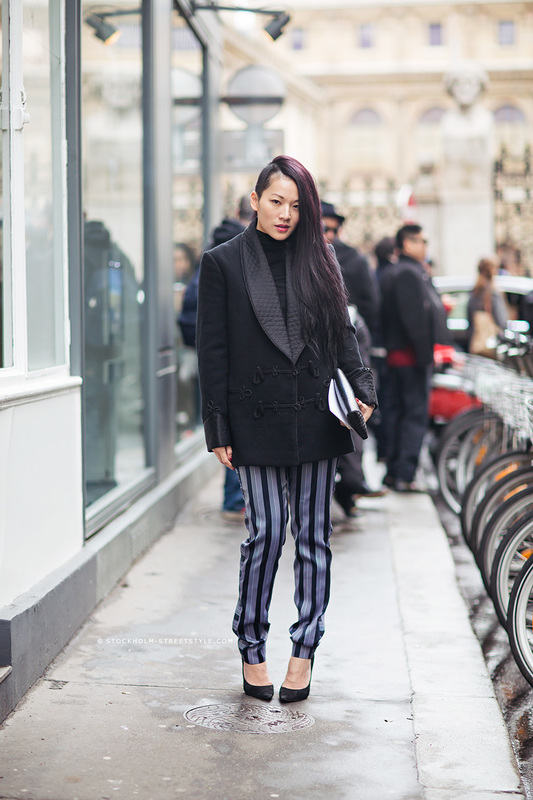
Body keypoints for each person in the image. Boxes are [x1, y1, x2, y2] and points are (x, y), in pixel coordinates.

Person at [197, 155, 377, 702]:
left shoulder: (320, 256)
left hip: (317, 415)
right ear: (255, 201)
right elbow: (213, 352)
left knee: (314, 537)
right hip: (253, 419)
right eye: (276, 201)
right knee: (268, 532)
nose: (285, 214)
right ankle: (251, 645)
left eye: (296, 206)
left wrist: (362, 386)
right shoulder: (223, 262)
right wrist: (217, 426)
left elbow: (342, 332)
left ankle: (304, 649)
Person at [179, 197, 255, 521]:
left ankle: (236, 499)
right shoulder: (230, 253)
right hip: (231, 358)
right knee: (236, 427)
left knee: (233, 428)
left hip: (221, 354)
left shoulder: (216, 249)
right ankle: (236, 500)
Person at [380, 224, 435, 493]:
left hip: (399, 356)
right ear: (408, 243)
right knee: (412, 415)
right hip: (409, 357)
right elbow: (413, 320)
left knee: (398, 413)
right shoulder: (408, 273)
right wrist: (426, 357)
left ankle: (395, 471)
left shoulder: (397, 271)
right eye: (422, 241)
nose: (425, 247)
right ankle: (404, 473)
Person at [321, 200, 380, 336]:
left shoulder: (355, 259)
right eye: (325, 229)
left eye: (335, 230)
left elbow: (371, 303)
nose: (330, 235)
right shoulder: (297, 255)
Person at [467, 256, 508, 349]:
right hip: (491, 345)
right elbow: (501, 322)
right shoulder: (493, 294)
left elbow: (469, 322)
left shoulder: (474, 293)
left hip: (476, 344)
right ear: (493, 271)